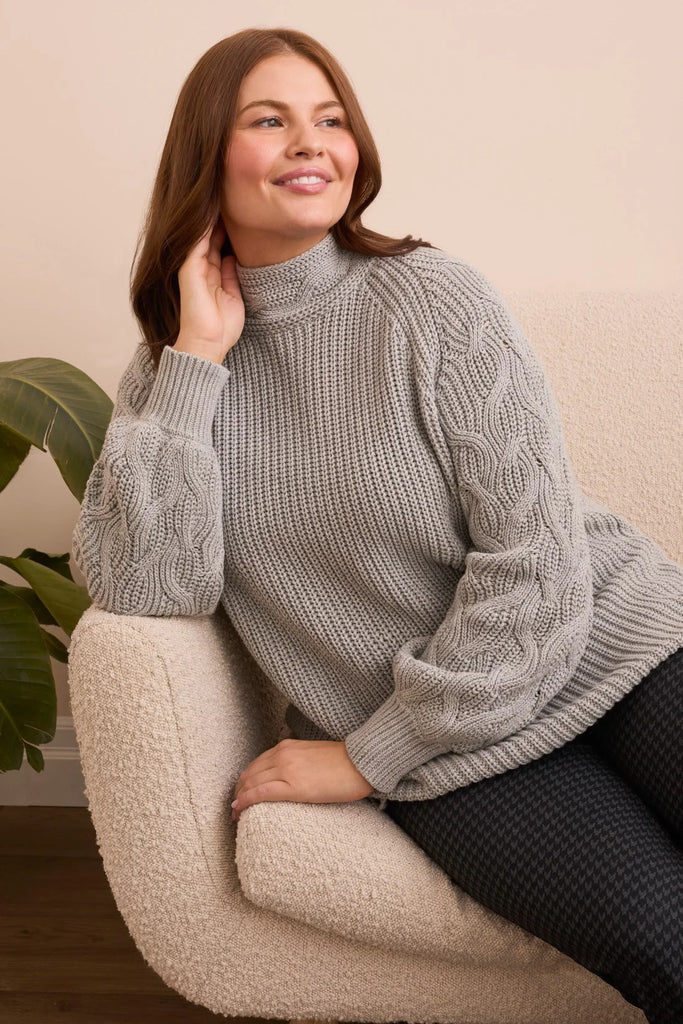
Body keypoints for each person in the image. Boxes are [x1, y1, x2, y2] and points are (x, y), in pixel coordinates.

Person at [71, 27, 683, 1024]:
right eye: (269, 120)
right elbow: (145, 588)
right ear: (205, 155)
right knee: (664, 942)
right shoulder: (173, 374)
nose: (310, 143)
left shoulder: (430, 300)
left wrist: (366, 755)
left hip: (619, 647)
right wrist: (195, 363)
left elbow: (535, 563)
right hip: (450, 752)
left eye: (330, 119)